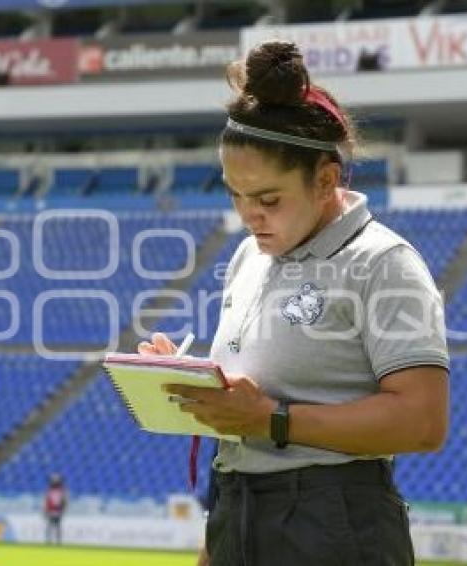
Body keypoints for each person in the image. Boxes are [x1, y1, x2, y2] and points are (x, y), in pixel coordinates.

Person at [138, 40, 449, 566]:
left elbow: (422, 421)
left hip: (334, 523)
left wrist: (271, 419)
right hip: (237, 509)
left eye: (268, 199)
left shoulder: (383, 261)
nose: (248, 215)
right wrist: (199, 387)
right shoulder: (246, 257)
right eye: (235, 195)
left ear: (325, 179)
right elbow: (249, 421)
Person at [43, 472, 68, 545]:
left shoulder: (62, 490)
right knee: (50, 525)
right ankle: (49, 540)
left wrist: (63, 509)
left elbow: (64, 500)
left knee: (56, 526)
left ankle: (58, 541)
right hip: (51, 510)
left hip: (58, 510)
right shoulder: (49, 490)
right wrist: (45, 510)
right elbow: (46, 500)